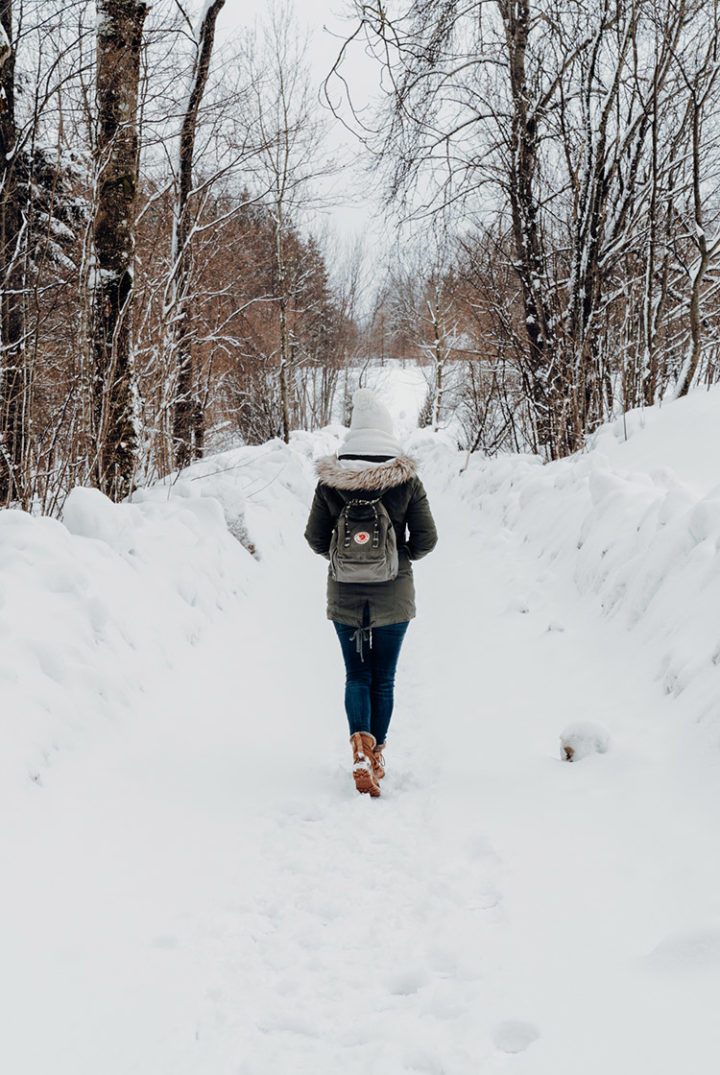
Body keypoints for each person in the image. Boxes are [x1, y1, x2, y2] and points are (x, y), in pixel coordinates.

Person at [304, 388, 438, 797]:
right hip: (394, 595)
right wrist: (399, 558)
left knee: (357, 674)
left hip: (344, 594)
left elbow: (314, 538)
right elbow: (428, 539)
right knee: (384, 678)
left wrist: (344, 560)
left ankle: (358, 749)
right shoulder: (406, 480)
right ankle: (376, 755)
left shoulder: (330, 482)